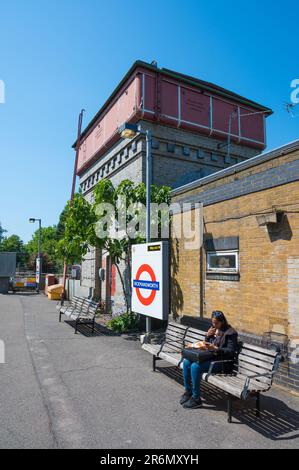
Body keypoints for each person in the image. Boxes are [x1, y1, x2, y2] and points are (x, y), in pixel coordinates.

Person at [180, 311, 238, 409]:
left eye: (216, 323)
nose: (214, 325)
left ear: (222, 321)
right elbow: (208, 344)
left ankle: (196, 398)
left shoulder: (231, 333)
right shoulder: (215, 330)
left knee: (195, 366)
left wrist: (217, 349)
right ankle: (188, 392)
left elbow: (231, 351)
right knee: (186, 362)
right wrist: (208, 336)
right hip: (210, 358)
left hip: (222, 363)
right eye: (213, 323)